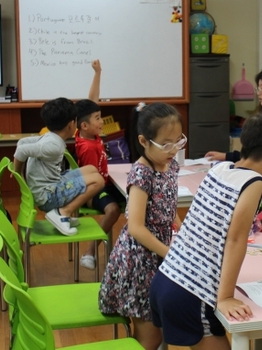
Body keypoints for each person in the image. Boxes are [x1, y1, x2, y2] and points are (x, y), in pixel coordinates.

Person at [150, 111, 262, 350]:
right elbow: (235, 240)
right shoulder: (254, 182)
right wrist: (226, 297)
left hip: (167, 278)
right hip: (192, 291)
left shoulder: (221, 168)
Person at [98, 102, 184, 350]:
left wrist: (180, 227)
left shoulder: (170, 165)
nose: (173, 149)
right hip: (139, 263)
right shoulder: (141, 173)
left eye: (178, 141)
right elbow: (135, 227)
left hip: (158, 254)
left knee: (162, 327)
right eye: (166, 143)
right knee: (150, 338)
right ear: (144, 141)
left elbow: (168, 208)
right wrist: (170, 253)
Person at [13, 97, 104, 236]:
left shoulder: (49, 137)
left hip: (52, 185)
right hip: (48, 196)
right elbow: (21, 151)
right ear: (71, 125)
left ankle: (62, 213)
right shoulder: (53, 145)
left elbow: (22, 142)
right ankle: (62, 213)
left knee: (92, 170)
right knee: (98, 181)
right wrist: (17, 173)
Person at [74, 59, 123, 270]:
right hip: (92, 190)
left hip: (103, 183)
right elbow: (93, 180)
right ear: (85, 125)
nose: (102, 122)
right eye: (98, 118)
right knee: (113, 209)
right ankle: (90, 250)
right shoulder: (89, 147)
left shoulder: (84, 132)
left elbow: (91, 101)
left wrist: (98, 73)